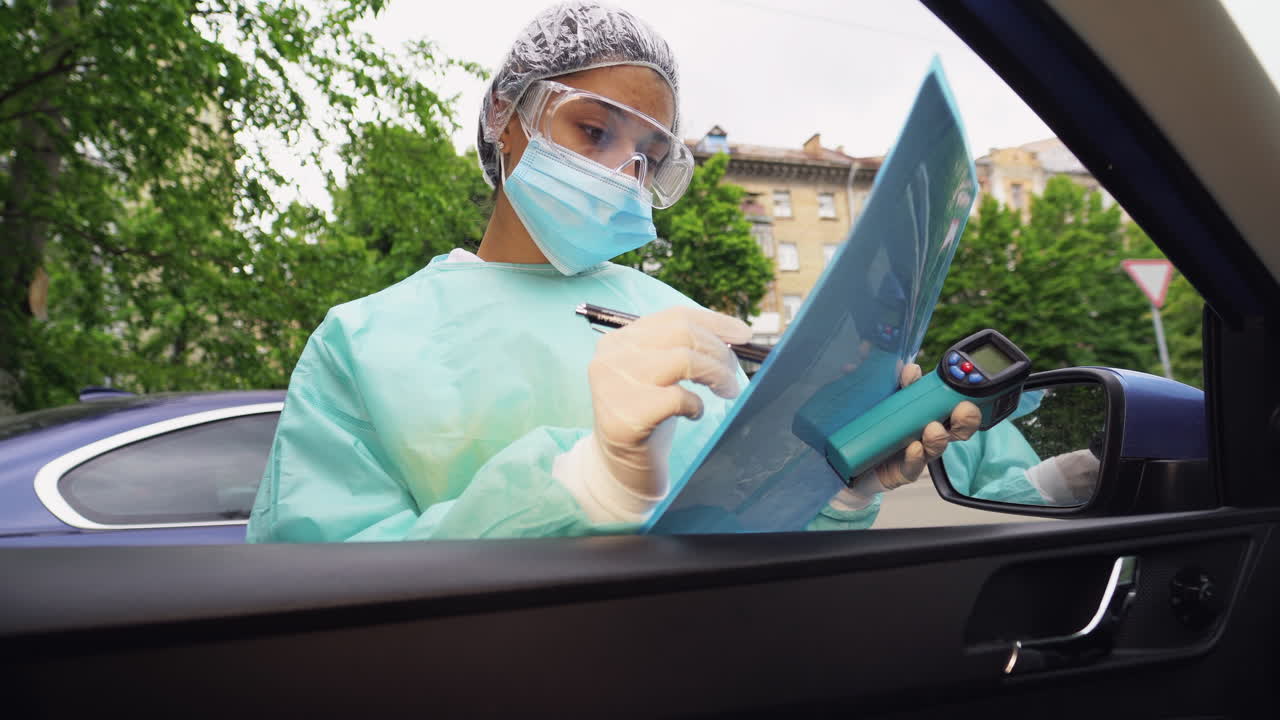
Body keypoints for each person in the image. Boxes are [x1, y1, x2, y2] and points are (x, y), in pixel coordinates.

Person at [246, 1, 980, 543]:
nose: (619, 174)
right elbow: (319, 591)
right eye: (594, 131)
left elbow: (748, 543)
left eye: (648, 159)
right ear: (505, 115)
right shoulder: (362, 343)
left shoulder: (683, 326)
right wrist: (586, 487)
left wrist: (837, 491)